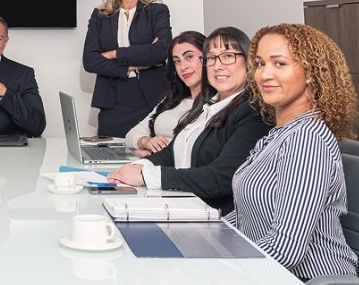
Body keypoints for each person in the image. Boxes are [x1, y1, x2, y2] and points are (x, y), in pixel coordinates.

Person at [143, 23, 359, 285]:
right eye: (260, 63)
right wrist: (184, 238)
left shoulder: (308, 139)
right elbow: (242, 219)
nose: (264, 74)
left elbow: (286, 248)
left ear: (311, 73)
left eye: (279, 63)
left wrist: (212, 269)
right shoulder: (276, 135)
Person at [109, 27, 268, 212]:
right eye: (211, 58)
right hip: (182, 205)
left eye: (228, 56)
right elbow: (172, 153)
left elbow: (222, 178)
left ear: (248, 61)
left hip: (214, 217)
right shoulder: (206, 104)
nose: (218, 66)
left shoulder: (253, 112)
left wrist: (147, 176)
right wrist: (136, 167)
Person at [82, 0, 172, 136]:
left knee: (147, 151)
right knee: (109, 151)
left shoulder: (157, 11)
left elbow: (161, 51)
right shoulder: (100, 15)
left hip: (149, 100)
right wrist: (133, 65)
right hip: (112, 101)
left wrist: (114, 54)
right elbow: (90, 61)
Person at [124, 30, 205, 154]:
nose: (182, 67)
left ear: (208, 58)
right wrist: (146, 142)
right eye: (177, 61)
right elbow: (132, 135)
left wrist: (153, 155)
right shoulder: (171, 99)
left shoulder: (216, 103)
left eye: (189, 57)